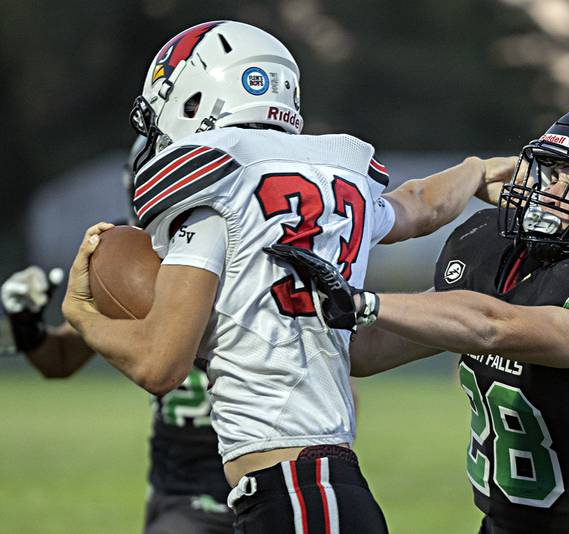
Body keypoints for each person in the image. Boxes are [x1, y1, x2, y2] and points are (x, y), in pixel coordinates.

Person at [60, 20, 514, 533]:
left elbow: (160, 364)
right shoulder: (335, 179)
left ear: (193, 99)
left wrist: (80, 314)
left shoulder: (216, 187)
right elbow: (420, 207)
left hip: (292, 492)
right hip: (320, 486)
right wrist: (476, 170)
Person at [267, 103, 569, 533]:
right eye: (551, 171)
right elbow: (369, 353)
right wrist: (281, 305)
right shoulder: (500, 254)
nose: (550, 188)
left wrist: (365, 302)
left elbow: (495, 327)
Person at [1, 139, 235, 534]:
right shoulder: (129, 253)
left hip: (266, 464)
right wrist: (26, 325)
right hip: (185, 485)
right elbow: (60, 359)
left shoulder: (252, 245)